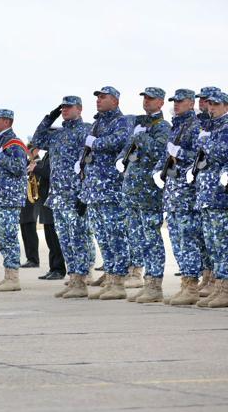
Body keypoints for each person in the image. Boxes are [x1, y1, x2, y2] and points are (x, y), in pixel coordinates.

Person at [33, 95, 92, 297]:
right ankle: (73, 279)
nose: (65, 110)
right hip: (57, 196)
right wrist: (49, 118)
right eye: (63, 108)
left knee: (78, 240)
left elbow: (89, 163)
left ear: (79, 109)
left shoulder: (86, 131)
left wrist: (85, 193)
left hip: (74, 195)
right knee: (65, 241)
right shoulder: (57, 134)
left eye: (69, 107)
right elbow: (37, 140)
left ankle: (81, 281)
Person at [117, 88, 171, 303]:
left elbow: (159, 151)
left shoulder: (162, 126)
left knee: (152, 240)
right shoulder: (140, 124)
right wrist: (121, 158)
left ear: (160, 102)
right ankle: (146, 281)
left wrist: (141, 136)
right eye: (145, 98)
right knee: (138, 239)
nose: (146, 101)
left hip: (149, 193)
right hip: (132, 192)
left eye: (151, 98)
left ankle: (155, 285)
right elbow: (128, 149)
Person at [79, 86, 131, 300]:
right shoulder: (97, 122)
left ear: (115, 101)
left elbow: (119, 141)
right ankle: (110, 278)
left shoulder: (121, 121)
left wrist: (96, 142)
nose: (98, 100)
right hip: (94, 191)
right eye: (97, 97)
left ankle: (119, 282)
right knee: (103, 238)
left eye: (103, 97)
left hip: (111, 190)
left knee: (116, 236)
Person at [160, 89, 205, 305]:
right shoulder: (177, 126)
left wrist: (179, 153)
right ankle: (185, 284)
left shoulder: (195, 126)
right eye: (174, 101)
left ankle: (192, 287)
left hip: (187, 195)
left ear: (191, 103)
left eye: (181, 101)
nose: (176, 104)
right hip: (173, 195)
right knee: (177, 242)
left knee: (188, 242)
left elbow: (200, 157)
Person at [0, 109, 28, 292]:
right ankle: (7, 276)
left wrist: (0, 156)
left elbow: (19, 168)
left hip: (8, 199)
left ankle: (12, 277)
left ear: (7, 122)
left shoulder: (14, 143)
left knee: (9, 237)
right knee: (1, 237)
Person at [193, 90, 228, 308]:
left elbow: (222, 154)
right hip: (206, 195)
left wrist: (205, 142)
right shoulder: (210, 127)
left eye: (216, 104)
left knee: (223, 244)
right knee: (213, 245)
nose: (211, 107)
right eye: (210, 104)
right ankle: (218, 286)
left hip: (220, 196)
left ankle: (225, 289)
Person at [32, 151, 65, 280]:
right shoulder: (48, 154)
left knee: (54, 238)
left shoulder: (55, 153)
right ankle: (53, 267)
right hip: (45, 199)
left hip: (51, 198)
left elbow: (49, 172)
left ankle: (59, 269)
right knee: (49, 237)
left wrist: (36, 168)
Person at [19, 146, 42, 269]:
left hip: (32, 200)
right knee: (24, 229)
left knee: (30, 229)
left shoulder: (39, 163)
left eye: (30, 150)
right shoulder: (27, 163)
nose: (28, 152)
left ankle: (34, 259)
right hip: (24, 200)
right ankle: (29, 258)